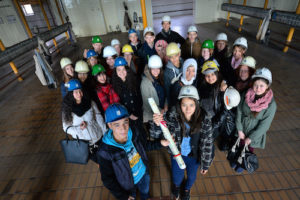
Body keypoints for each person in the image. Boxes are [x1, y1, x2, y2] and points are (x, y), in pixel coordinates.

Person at [150, 86, 213, 200]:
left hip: (194, 157)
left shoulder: (205, 120)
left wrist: (206, 164)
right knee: (176, 177)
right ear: (179, 105)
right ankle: (177, 187)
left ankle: (187, 189)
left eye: (191, 105)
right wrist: (157, 124)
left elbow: (208, 143)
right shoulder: (171, 117)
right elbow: (155, 135)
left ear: (196, 104)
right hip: (177, 155)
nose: (188, 109)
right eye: (184, 105)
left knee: (192, 177)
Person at [96, 104, 169, 200]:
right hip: (126, 185)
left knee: (145, 193)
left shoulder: (135, 131)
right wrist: (123, 196)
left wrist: (160, 143)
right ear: (109, 125)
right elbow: (107, 179)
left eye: (125, 122)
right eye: (117, 124)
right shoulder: (104, 151)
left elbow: (145, 145)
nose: (123, 128)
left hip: (143, 174)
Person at [234, 67, 276, 173]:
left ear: (267, 86)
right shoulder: (246, 94)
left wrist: (251, 138)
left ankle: (242, 165)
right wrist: (239, 129)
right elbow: (239, 110)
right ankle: (236, 160)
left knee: (247, 151)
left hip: (254, 134)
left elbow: (264, 125)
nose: (258, 88)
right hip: (242, 128)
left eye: (262, 85)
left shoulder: (271, 105)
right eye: (256, 85)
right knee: (238, 146)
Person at [62, 79, 107, 162]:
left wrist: (105, 131)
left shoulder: (90, 102)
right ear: (71, 94)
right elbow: (66, 128)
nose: (79, 94)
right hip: (85, 143)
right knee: (99, 162)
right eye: (75, 92)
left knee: (105, 160)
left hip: (98, 137)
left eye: (80, 91)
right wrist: (79, 129)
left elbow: (98, 117)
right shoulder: (67, 109)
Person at [198, 61, 227, 139]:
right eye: (207, 75)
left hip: (214, 122)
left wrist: (213, 125)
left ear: (217, 74)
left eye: (212, 74)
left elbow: (224, 110)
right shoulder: (201, 86)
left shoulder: (222, 89)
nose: (210, 78)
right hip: (202, 119)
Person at [112, 57, 143, 127]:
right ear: (115, 71)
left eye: (123, 69)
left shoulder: (135, 80)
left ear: (127, 69)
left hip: (138, 113)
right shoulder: (114, 85)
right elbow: (118, 103)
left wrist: (138, 113)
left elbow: (139, 98)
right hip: (126, 117)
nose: (121, 72)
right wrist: (129, 114)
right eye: (119, 70)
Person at [140, 55, 166, 123]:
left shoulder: (160, 78)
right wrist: (161, 111)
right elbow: (147, 105)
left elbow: (165, 94)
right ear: (149, 69)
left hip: (162, 114)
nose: (156, 71)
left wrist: (165, 107)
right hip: (152, 118)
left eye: (158, 68)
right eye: (153, 69)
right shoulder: (145, 83)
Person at [164, 42, 183, 108]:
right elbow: (167, 90)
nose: (174, 59)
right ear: (168, 58)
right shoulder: (167, 73)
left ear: (179, 54)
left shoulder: (184, 64)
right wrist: (171, 106)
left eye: (176, 55)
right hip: (175, 101)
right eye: (171, 57)